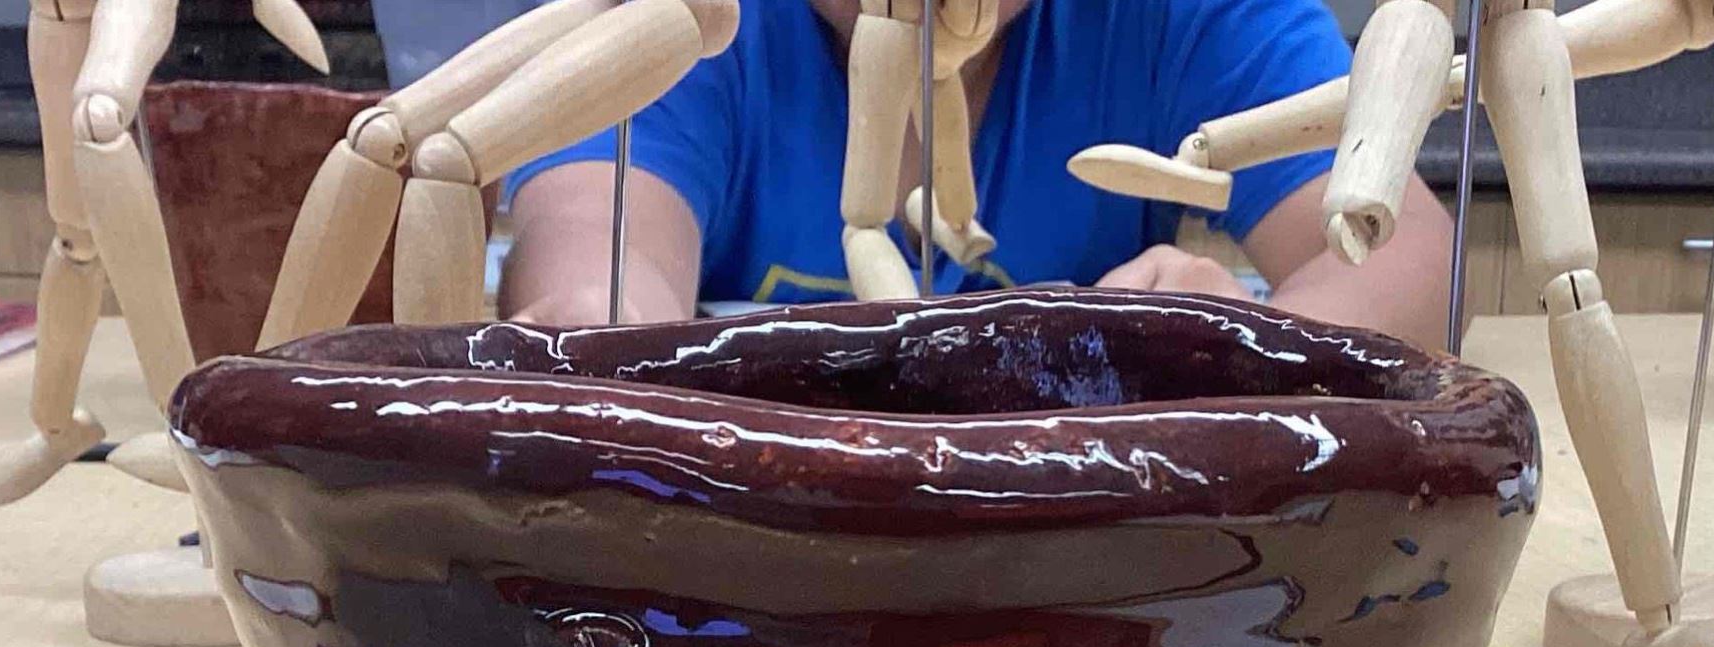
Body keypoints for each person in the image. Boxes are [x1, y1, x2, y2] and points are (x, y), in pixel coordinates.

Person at [501, 0, 1455, 345]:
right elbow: (598, 268)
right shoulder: (678, 24)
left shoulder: (1177, 16)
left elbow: (1406, 258)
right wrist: (598, 317)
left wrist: (1247, 351)